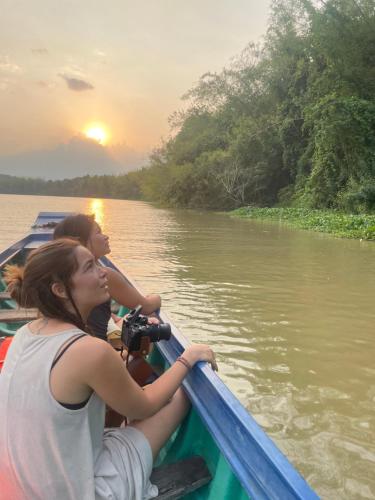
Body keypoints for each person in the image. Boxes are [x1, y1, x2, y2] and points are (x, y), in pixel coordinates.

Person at [0, 239, 217, 499]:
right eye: (89, 266)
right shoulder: (88, 350)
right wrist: (187, 358)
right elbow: (145, 406)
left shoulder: (24, 334)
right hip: (74, 492)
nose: (103, 271)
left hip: (22, 483)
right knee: (183, 394)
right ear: (59, 289)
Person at [53, 214, 161, 342]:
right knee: (151, 318)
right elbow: (147, 306)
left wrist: (114, 317)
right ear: (81, 242)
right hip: (98, 347)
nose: (106, 236)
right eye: (98, 232)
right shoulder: (104, 275)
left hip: (81, 343)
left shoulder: (65, 274)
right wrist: (156, 297)